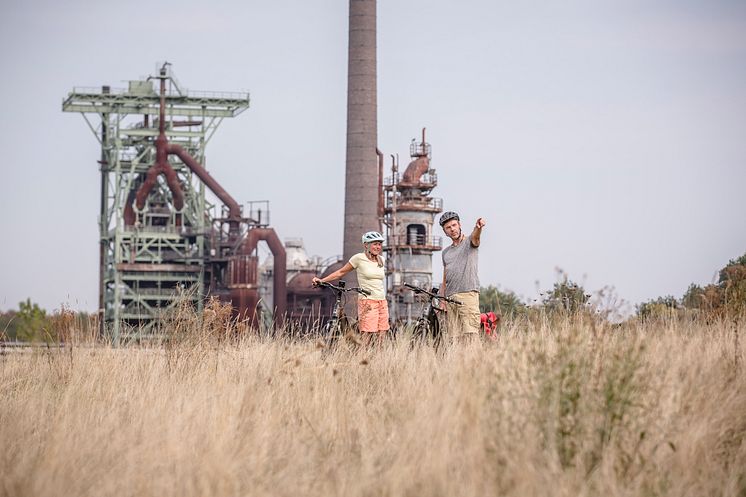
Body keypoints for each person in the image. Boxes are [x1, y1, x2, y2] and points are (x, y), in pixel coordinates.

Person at [312, 231, 390, 342]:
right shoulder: (358, 258)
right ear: (366, 245)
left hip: (382, 301)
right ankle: (362, 357)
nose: (378, 247)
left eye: (379, 244)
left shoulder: (381, 260)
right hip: (367, 301)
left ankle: (378, 358)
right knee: (367, 336)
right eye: (375, 244)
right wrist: (321, 280)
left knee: (382, 335)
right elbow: (341, 272)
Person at [439, 211, 486, 342]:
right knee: (455, 339)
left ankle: (475, 362)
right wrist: (443, 300)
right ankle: (459, 363)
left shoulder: (469, 242)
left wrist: (478, 228)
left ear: (459, 225)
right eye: (448, 228)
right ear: (445, 232)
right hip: (450, 299)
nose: (452, 229)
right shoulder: (445, 253)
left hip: (467, 295)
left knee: (471, 336)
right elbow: (445, 278)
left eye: (454, 225)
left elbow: (476, 239)